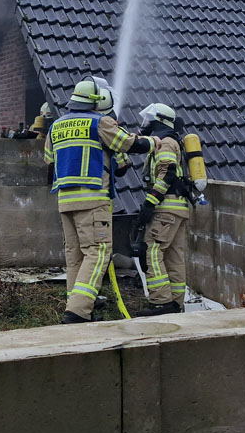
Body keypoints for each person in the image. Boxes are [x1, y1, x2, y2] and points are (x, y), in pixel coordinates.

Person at [45, 77, 152, 324]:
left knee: (75, 255)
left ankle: (78, 303)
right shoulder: (100, 122)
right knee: (98, 252)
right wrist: (153, 142)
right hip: (93, 199)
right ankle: (77, 312)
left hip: (65, 200)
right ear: (96, 101)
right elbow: (128, 144)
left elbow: (50, 162)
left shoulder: (56, 126)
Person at [133, 103, 190, 316]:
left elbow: (168, 173)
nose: (145, 124)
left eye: (149, 120)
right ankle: (176, 303)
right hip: (178, 208)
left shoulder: (165, 143)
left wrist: (150, 203)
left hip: (166, 208)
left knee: (151, 251)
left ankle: (160, 302)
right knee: (173, 256)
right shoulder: (173, 141)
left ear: (159, 121)